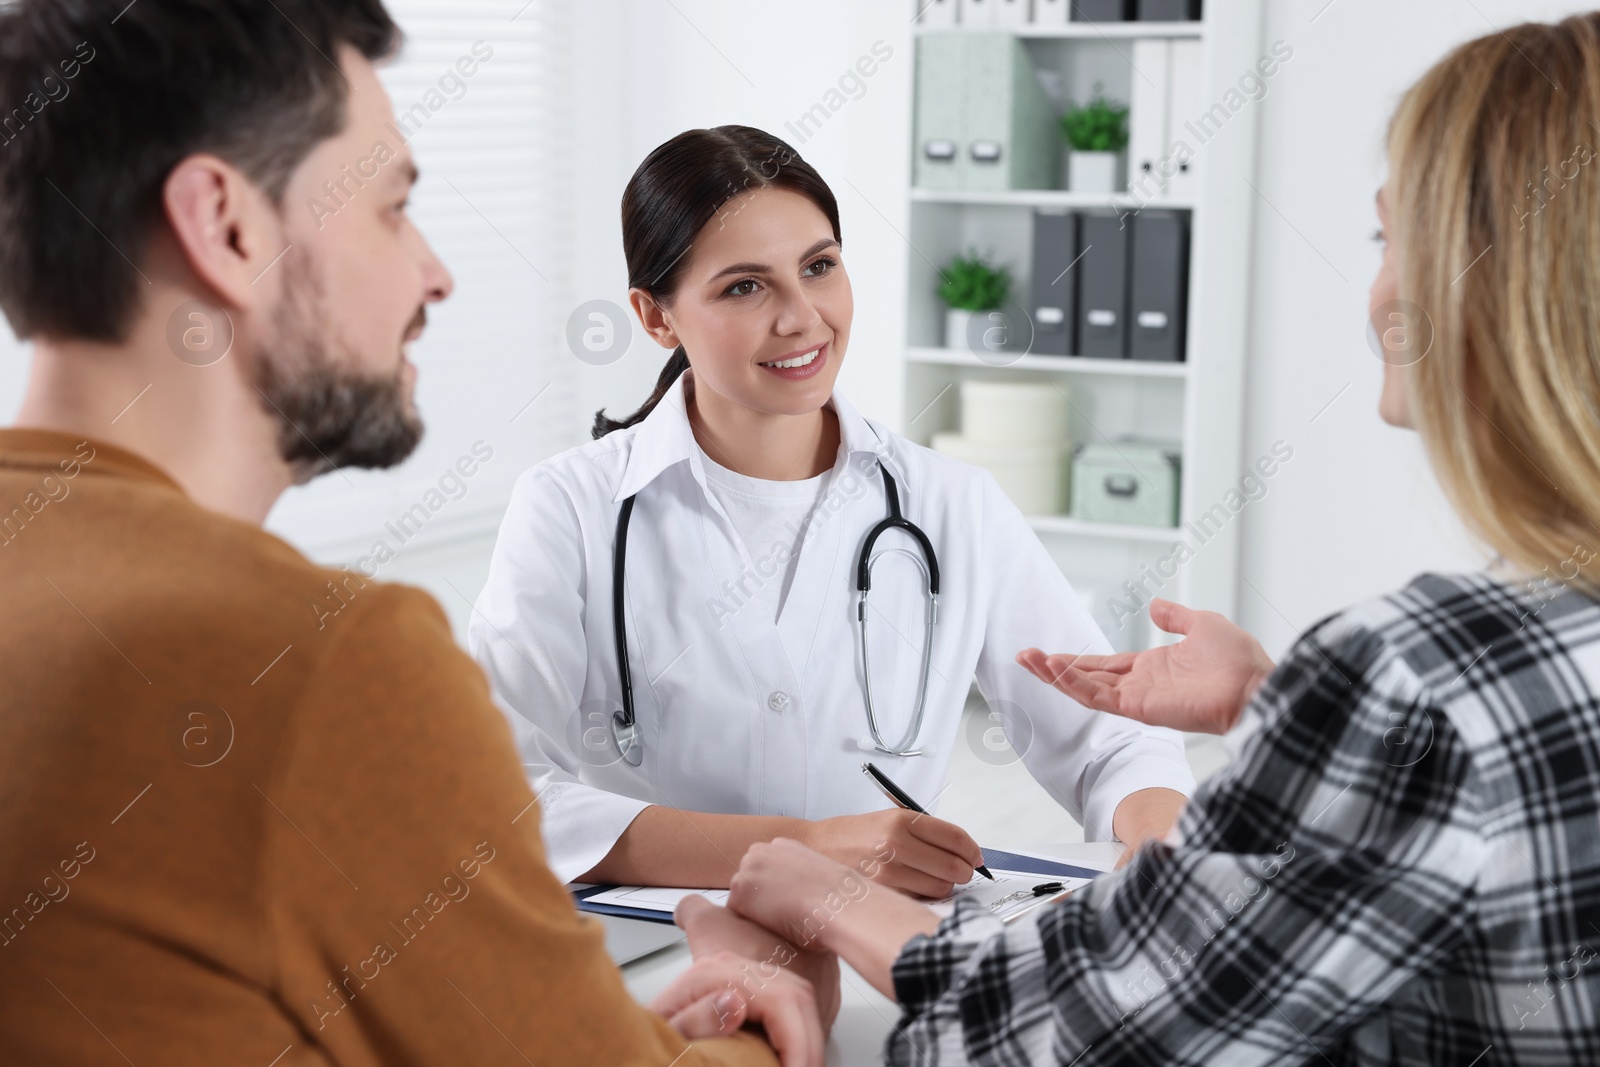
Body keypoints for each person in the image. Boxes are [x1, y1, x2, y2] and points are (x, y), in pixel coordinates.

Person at [678, 12, 1600, 1065]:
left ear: (1498, 282)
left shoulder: (1420, 673)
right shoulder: (1475, 669)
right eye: (744, 285)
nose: (1380, 285)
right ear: (656, 317)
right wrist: (1293, 708)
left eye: (1393, 237)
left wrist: (824, 892)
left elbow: (1074, 1035)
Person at [0, 2, 830, 1064]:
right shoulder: (319, 665)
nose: (433, 274)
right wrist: (759, 1014)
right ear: (228, 226)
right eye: (389, 208)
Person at [469, 125, 1192, 895]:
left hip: (891, 946)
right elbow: (497, 793)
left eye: (819, 267)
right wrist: (809, 845)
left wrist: (1157, 841)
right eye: (744, 286)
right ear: (656, 317)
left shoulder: (951, 505)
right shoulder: (569, 509)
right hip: (659, 961)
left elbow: (1109, 738)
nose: (802, 317)